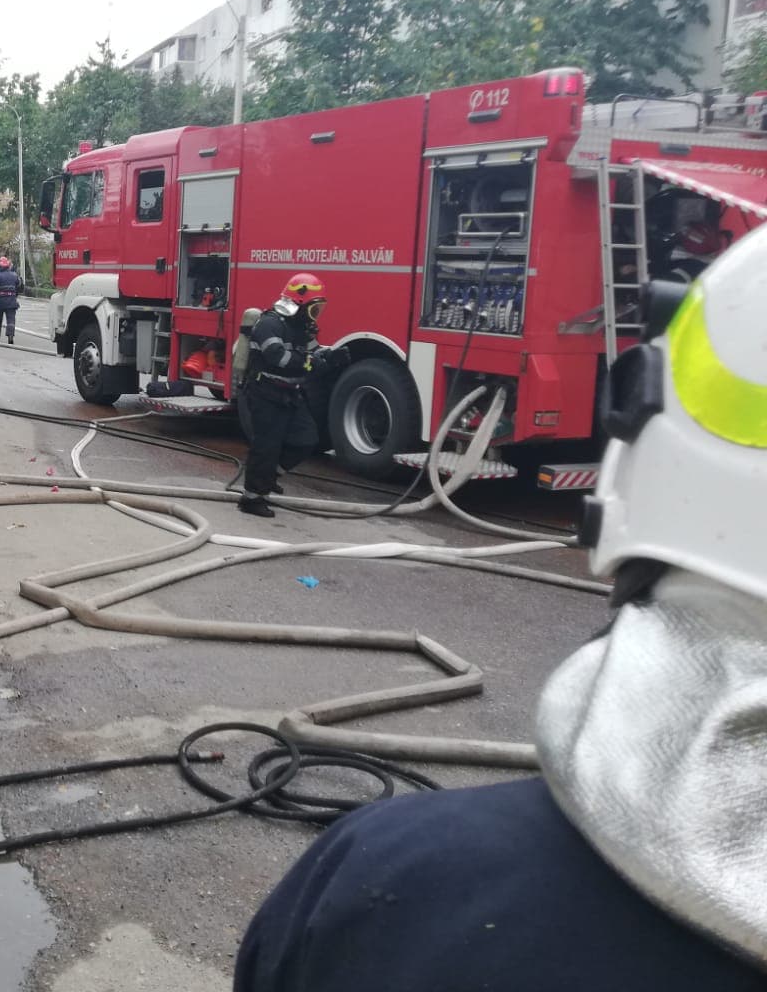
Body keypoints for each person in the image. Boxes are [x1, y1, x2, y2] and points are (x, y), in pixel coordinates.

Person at [234, 231, 767, 991]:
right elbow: (274, 357)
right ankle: (256, 493)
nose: (319, 307)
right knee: (275, 447)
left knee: (290, 441)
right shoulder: (277, 323)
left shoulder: (390, 876)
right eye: (314, 300)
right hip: (272, 396)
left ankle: (264, 484)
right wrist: (297, 362)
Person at [238, 274, 342, 518]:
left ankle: (269, 477)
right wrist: (311, 364)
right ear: (299, 302)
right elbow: (278, 357)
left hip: (290, 394)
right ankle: (252, 498)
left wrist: (331, 358)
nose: (316, 314)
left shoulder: (301, 328)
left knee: (306, 440)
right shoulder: (269, 324)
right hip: (265, 393)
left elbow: (313, 353)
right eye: (314, 308)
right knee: (266, 447)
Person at [0, 255, 24, 344]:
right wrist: (15, 295)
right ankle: (10, 336)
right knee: (11, 320)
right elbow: (20, 287)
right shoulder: (14, 275)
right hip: (11, 301)